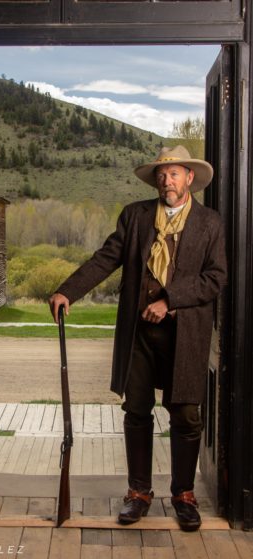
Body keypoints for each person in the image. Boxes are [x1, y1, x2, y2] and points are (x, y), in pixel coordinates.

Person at [49, 145, 227, 531]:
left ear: (189, 178)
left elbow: (215, 278)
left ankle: (183, 494)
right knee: (137, 411)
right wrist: (67, 291)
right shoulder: (136, 216)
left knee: (186, 415)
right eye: (162, 175)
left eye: (175, 174)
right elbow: (104, 258)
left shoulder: (210, 223)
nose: (167, 181)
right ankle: (139, 492)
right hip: (140, 335)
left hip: (185, 334)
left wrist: (169, 301)